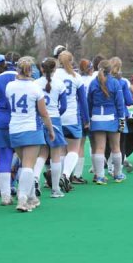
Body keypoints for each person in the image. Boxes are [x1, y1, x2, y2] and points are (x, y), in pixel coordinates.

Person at [5, 57, 55, 212]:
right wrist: (51, 130)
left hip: (14, 129)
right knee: (28, 165)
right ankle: (22, 199)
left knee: (25, 164)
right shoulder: (35, 88)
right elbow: (44, 113)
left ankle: (32, 197)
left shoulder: (10, 86)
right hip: (31, 129)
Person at [53, 51, 89, 192]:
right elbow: (83, 101)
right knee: (74, 149)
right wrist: (86, 119)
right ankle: (66, 175)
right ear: (71, 61)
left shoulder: (53, 76)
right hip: (72, 117)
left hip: (56, 116)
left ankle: (56, 180)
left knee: (60, 150)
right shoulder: (76, 77)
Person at [0, 53, 20, 205]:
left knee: (4, 158)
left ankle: (5, 196)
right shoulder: (22, 77)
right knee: (26, 158)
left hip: (1, 121)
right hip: (21, 122)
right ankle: (25, 193)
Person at [33, 57, 67, 198]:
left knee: (42, 153)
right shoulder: (59, 84)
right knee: (56, 155)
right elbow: (63, 106)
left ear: (41, 68)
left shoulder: (35, 83)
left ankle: (35, 178)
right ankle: (55, 189)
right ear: (55, 69)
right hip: (54, 119)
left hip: (38, 119)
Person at [88, 60, 126, 184]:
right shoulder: (115, 83)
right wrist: (122, 120)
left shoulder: (93, 83)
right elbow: (120, 103)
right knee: (116, 147)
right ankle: (118, 174)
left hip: (96, 118)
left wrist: (88, 118)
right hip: (112, 118)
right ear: (111, 70)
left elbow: (89, 102)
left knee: (99, 148)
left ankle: (99, 176)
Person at [107, 57, 133, 177]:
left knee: (106, 143)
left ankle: (107, 168)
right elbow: (128, 101)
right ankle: (118, 171)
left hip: (106, 116)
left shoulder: (103, 81)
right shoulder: (122, 82)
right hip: (121, 116)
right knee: (120, 143)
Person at [71, 58, 94, 183]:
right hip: (87, 113)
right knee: (86, 144)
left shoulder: (76, 78)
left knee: (70, 145)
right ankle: (78, 174)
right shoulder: (92, 80)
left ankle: (68, 173)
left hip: (74, 113)